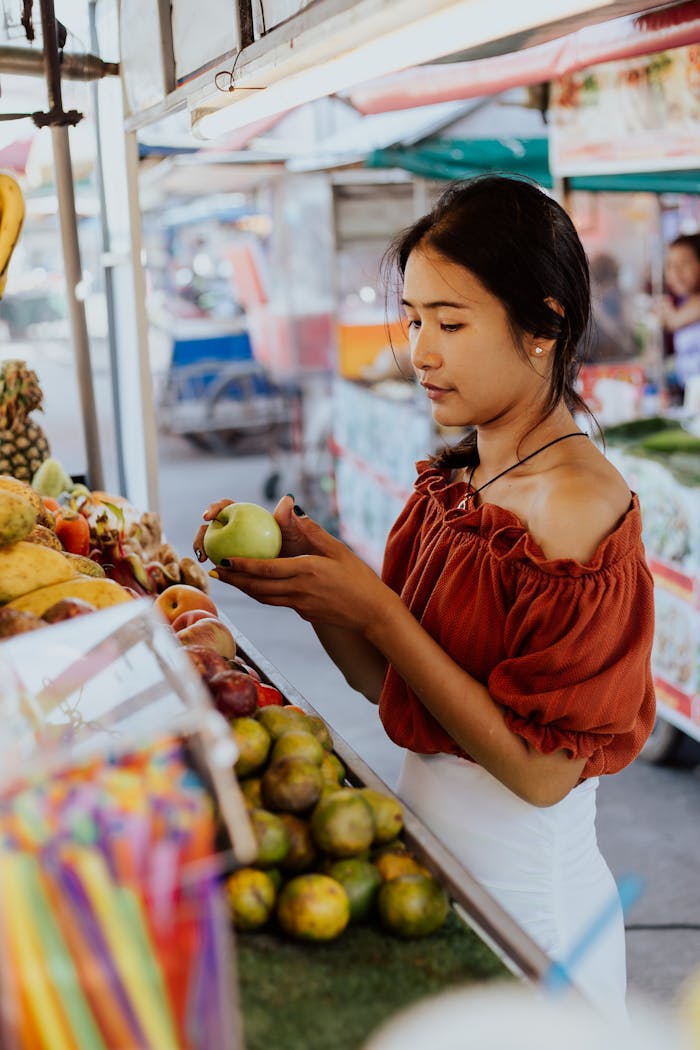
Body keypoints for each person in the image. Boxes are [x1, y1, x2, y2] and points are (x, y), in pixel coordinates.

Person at [194, 175, 655, 1016]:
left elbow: (542, 774)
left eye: (450, 322)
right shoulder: (462, 478)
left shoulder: (580, 507)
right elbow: (390, 682)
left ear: (542, 327)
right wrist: (315, 588)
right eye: (411, 318)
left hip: (531, 916)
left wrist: (376, 609)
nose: (421, 350)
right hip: (436, 864)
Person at [659, 233, 700, 395]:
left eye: (683, 264)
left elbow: (674, 321)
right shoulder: (683, 302)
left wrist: (663, 310)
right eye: (670, 265)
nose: (675, 272)